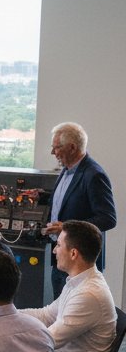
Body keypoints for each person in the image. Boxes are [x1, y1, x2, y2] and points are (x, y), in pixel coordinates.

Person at [22, 220, 116, 352]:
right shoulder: (79, 282)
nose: (54, 251)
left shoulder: (88, 294)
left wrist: (4, 332)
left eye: (58, 245)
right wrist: (5, 315)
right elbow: (45, 315)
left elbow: (48, 341)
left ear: (73, 253)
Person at [44, 122, 116, 298]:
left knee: (74, 312)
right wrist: (40, 196)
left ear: (72, 148)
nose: (53, 152)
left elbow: (108, 218)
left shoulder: (94, 175)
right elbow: (67, 201)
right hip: (62, 259)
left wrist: (67, 227)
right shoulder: (67, 170)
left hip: (80, 264)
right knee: (60, 308)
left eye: (57, 147)